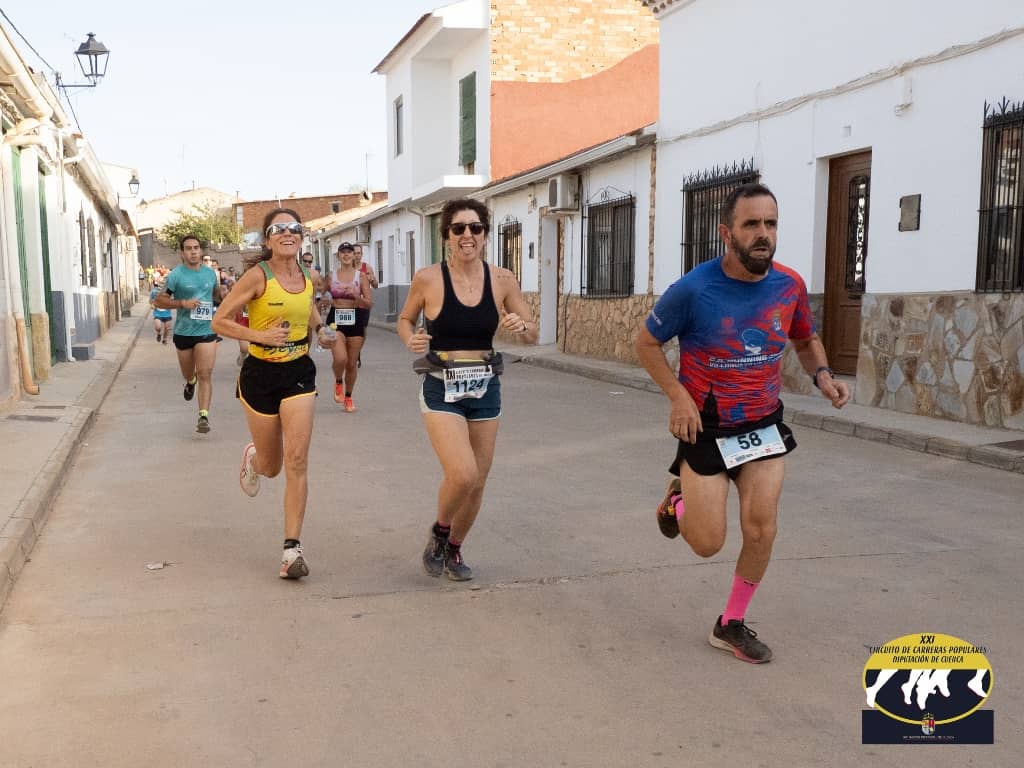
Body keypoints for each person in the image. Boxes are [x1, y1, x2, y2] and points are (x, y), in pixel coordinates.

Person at [635, 183, 849, 663]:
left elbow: (805, 339)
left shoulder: (789, 285)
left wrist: (823, 375)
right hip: (706, 428)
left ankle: (730, 623)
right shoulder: (694, 289)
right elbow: (644, 343)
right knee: (707, 543)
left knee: (761, 528)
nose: (763, 234)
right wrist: (678, 397)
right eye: (751, 224)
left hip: (762, 425)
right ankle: (677, 502)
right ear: (726, 233)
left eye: (770, 224)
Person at [398, 198, 538, 581]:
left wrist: (521, 327)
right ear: (446, 235)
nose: (467, 235)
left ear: (485, 235)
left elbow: (533, 331)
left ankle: (454, 549)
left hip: (485, 386)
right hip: (441, 385)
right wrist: (411, 338)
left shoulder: (503, 279)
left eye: (475, 227)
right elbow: (405, 319)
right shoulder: (428, 278)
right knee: (462, 473)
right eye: (458, 228)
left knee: (477, 482)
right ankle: (440, 532)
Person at [211, 208, 335, 580]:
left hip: (298, 372)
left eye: (293, 228)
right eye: (278, 229)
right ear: (267, 238)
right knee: (272, 466)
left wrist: (321, 330)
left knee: (297, 460)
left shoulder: (309, 275)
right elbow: (220, 320)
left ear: (302, 236)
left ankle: (291, 550)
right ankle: (254, 458)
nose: (287, 233)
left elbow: (308, 307)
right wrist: (259, 336)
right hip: (260, 375)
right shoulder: (257, 276)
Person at [154, 235, 224, 434]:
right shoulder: (176, 275)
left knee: (205, 374)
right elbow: (159, 300)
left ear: (200, 251)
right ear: (182, 253)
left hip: (206, 330)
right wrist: (182, 303)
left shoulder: (210, 274)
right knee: (189, 373)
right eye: (188, 248)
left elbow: (217, 296)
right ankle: (190, 381)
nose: (193, 251)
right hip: (184, 332)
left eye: (196, 248)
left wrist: (225, 296)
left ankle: (203, 416)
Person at [325, 242, 372, 412]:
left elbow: (369, 303)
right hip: (334, 320)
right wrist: (325, 299)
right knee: (340, 359)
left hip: (355, 318)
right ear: (338, 256)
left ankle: (348, 396)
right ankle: (338, 381)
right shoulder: (331, 276)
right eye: (342, 252)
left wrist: (356, 297)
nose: (346, 255)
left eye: (349, 252)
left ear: (354, 255)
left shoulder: (361, 276)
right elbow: (319, 294)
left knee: (351, 364)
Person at [149, 279, 172, 344]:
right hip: (158, 313)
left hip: (167, 313)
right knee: (158, 327)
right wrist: (152, 305)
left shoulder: (170, 292)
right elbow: (150, 301)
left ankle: (164, 339)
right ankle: (159, 333)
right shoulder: (154, 292)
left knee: (167, 328)